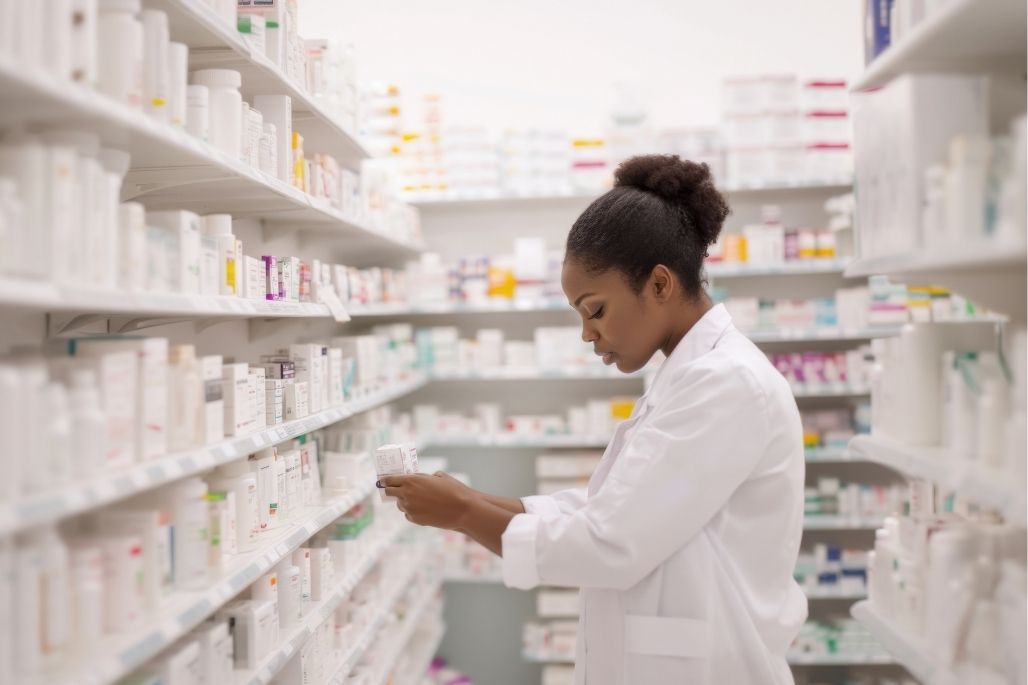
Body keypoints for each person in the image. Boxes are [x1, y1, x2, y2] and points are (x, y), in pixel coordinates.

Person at [379, 154, 808, 684]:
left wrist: (465, 512)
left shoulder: (726, 382)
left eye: (596, 309)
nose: (588, 334)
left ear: (658, 284)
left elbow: (609, 544)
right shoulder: (686, 375)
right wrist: (469, 497)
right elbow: (618, 506)